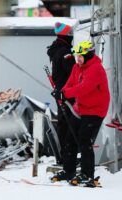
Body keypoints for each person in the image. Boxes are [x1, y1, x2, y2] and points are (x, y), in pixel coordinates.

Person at [51, 41, 110, 187]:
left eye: (80, 56)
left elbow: (85, 88)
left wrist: (66, 94)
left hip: (95, 110)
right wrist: (61, 92)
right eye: (77, 56)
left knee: (84, 140)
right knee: (69, 139)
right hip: (80, 108)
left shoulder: (96, 69)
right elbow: (70, 83)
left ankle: (87, 174)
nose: (77, 59)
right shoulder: (77, 67)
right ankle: (69, 170)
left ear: (88, 54)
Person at [47, 22, 75, 165]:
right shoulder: (65, 52)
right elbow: (73, 73)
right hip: (68, 94)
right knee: (69, 125)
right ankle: (68, 158)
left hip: (60, 92)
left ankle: (65, 157)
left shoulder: (55, 49)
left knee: (63, 124)